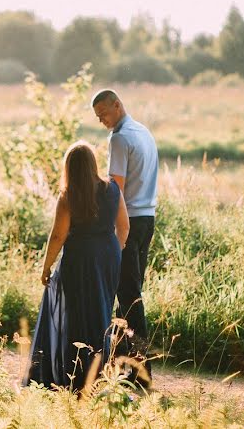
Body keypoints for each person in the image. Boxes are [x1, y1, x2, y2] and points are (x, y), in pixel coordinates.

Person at [24, 141, 130, 391]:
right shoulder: (113, 188)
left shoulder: (69, 196)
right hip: (107, 256)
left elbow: (58, 236)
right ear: (93, 163)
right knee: (101, 311)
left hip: (79, 258)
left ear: (69, 168)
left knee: (74, 313)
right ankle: (100, 375)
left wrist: (46, 267)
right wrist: (114, 252)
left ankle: (73, 374)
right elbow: (124, 227)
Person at [91, 89, 158, 386]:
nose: (102, 121)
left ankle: (142, 373)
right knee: (129, 294)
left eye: (104, 113)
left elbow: (115, 188)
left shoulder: (119, 138)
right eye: (98, 117)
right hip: (147, 219)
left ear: (117, 105)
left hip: (127, 221)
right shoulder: (143, 132)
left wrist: (105, 226)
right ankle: (119, 366)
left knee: (130, 299)